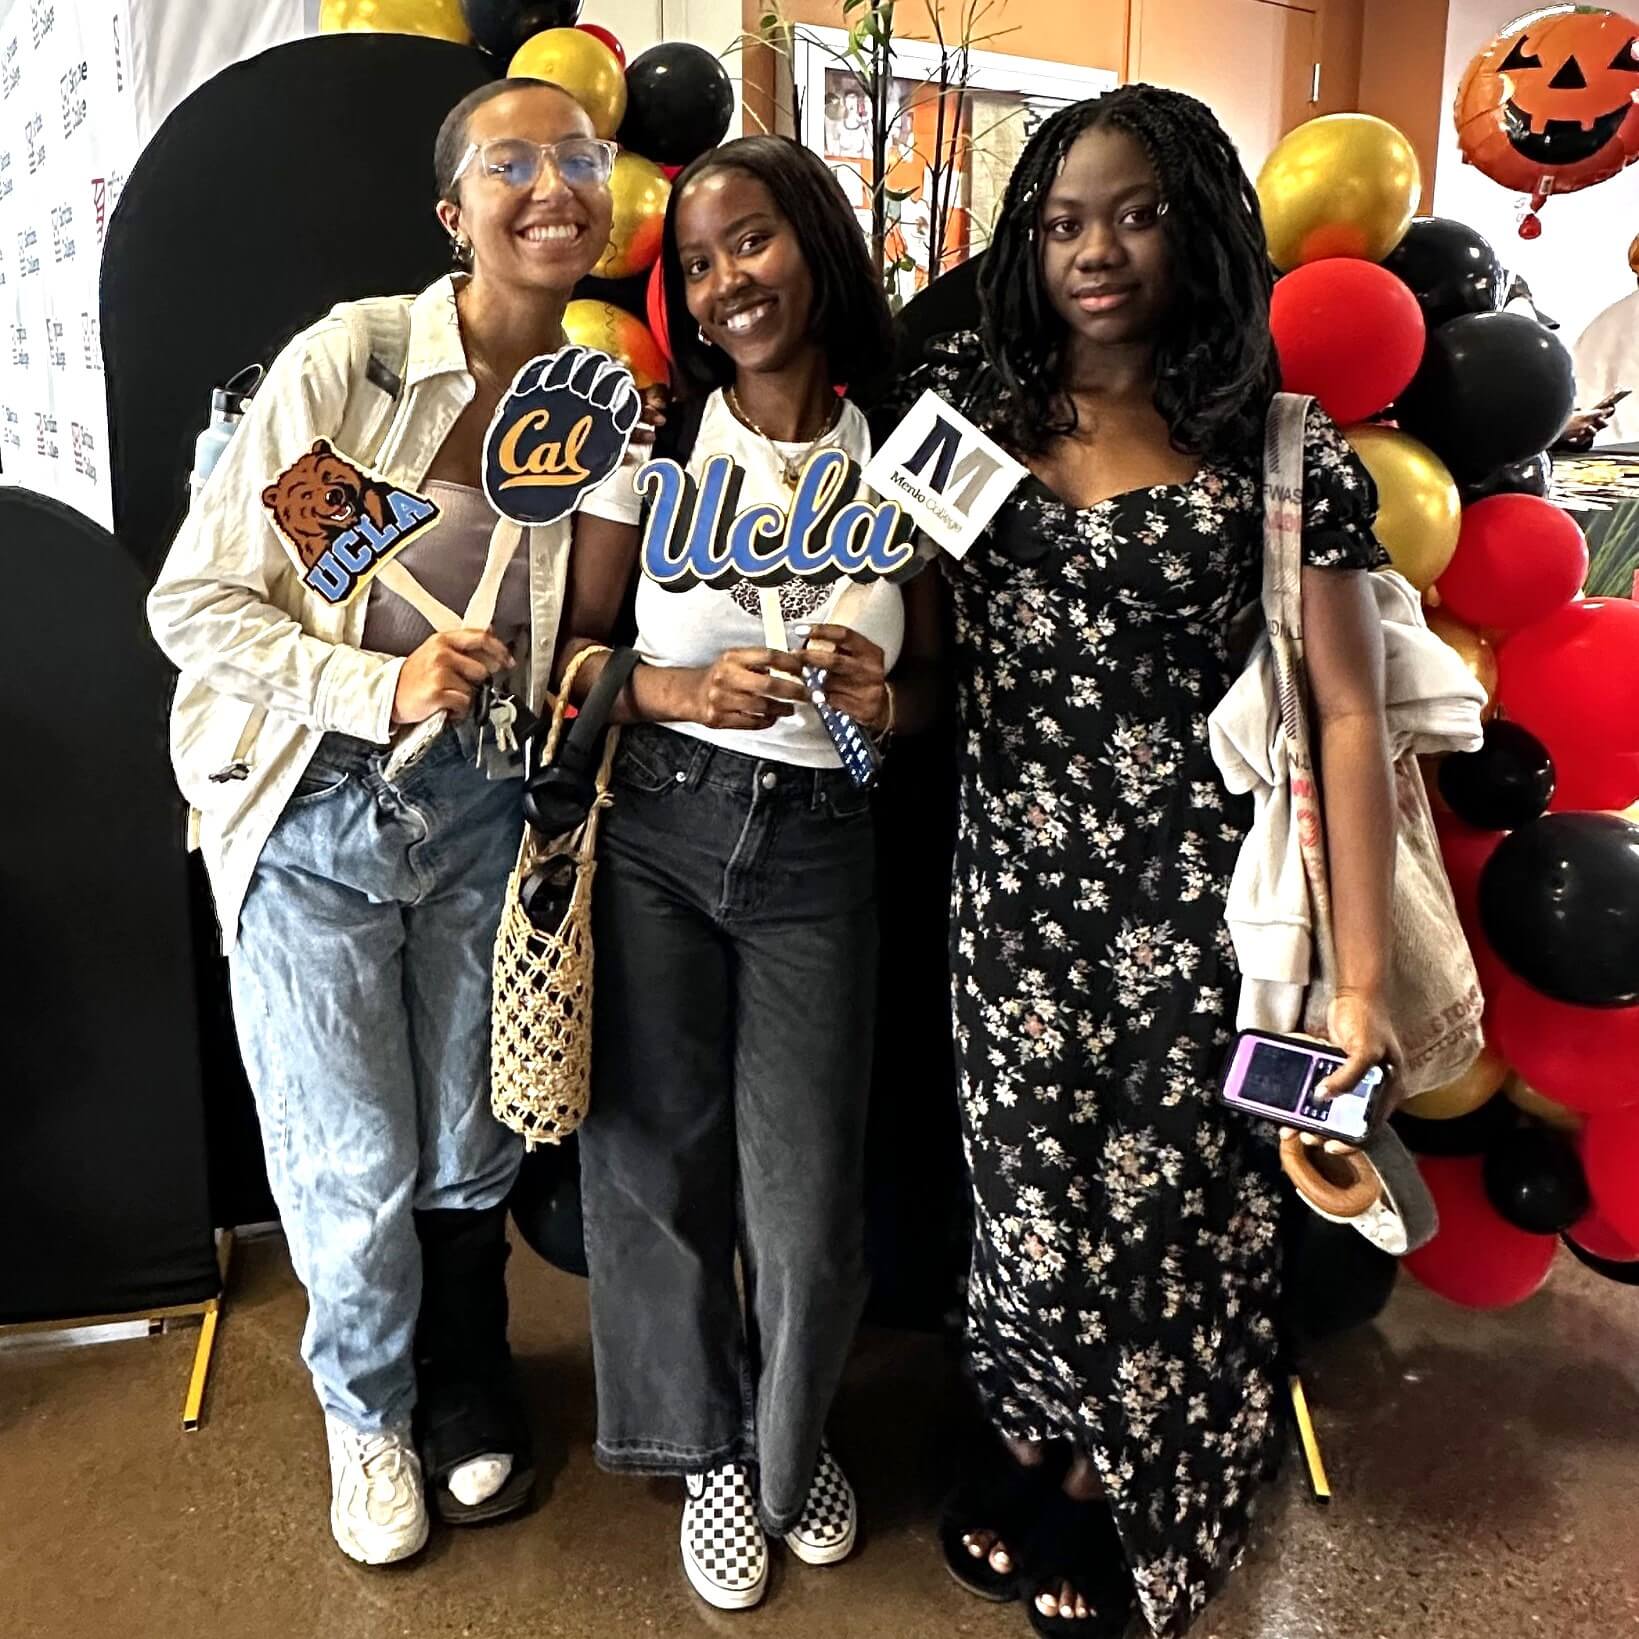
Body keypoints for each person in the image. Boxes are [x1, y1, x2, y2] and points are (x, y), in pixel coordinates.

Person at [896, 87, 1403, 1636]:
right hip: (1009, 897)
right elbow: (918, 672)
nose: (1094, 251)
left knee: (1175, 1216)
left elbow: (1347, 715)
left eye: (1133, 213)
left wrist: (1364, 982)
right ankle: (1041, 1434)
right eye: (1059, 223)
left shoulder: (1274, 447)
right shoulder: (964, 417)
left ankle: (1136, 1483)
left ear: (1197, 225)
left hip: (1205, 904)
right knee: (1029, 1195)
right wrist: (856, 693)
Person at [147, 78, 640, 1565]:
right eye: (514, 163)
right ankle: (365, 1416)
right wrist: (377, 680)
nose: (554, 185)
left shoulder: (595, 398)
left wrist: (600, 684)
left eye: (581, 159)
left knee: (465, 1139)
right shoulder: (353, 370)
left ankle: (465, 1381)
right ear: (455, 214)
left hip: (481, 813)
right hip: (313, 814)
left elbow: (585, 623)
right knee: (346, 1161)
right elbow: (202, 605)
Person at [553, 135, 940, 1611]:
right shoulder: (647, 446)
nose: (727, 285)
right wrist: (664, 694)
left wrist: (885, 697)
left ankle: (792, 1439)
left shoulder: (912, 454)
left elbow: (954, 682)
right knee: (654, 1167)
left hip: (821, 848)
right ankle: (709, 1450)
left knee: (806, 1192)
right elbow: (575, 658)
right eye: (699, 264)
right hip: (660, 822)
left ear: (817, 247)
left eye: (754, 243)